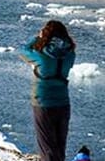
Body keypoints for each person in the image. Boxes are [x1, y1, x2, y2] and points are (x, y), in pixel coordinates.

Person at [19, 20, 77, 161]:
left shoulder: (41, 56)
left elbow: (23, 51)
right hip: (63, 102)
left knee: (46, 145)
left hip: (42, 102)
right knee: (59, 145)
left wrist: (38, 38)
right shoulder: (70, 55)